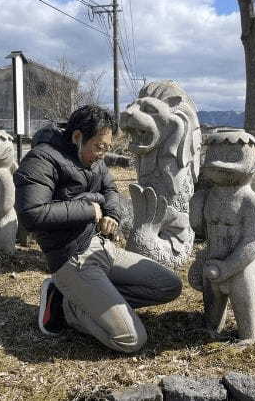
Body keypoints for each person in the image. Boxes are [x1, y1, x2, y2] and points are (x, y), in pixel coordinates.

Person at [14, 105, 182, 353]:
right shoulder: (41, 158)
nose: (102, 154)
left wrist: (111, 214)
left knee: (169, 285)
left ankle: (91, 298)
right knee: (131, 339)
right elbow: (31, 214)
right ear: (77, 137)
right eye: (99, 147)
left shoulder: (94, 159)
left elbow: (110, 190)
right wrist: (89, 210)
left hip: (101, 247)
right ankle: (66, 307)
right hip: (71, 258)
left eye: (107, 148)